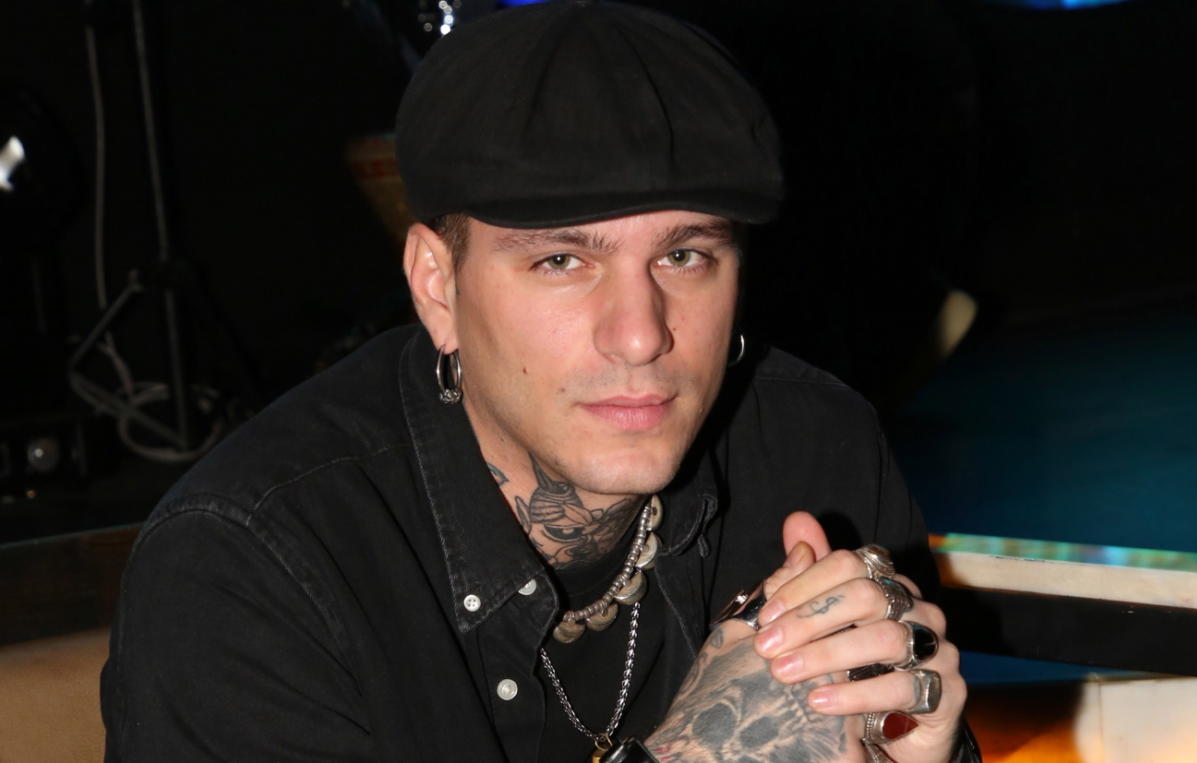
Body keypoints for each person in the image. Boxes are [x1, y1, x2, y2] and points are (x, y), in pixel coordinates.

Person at [101, 2, 978, 761]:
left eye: (684, 254)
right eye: (562, 260)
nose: (640, 333)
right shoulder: (248, 567)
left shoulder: (815, 451)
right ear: (437, 287)